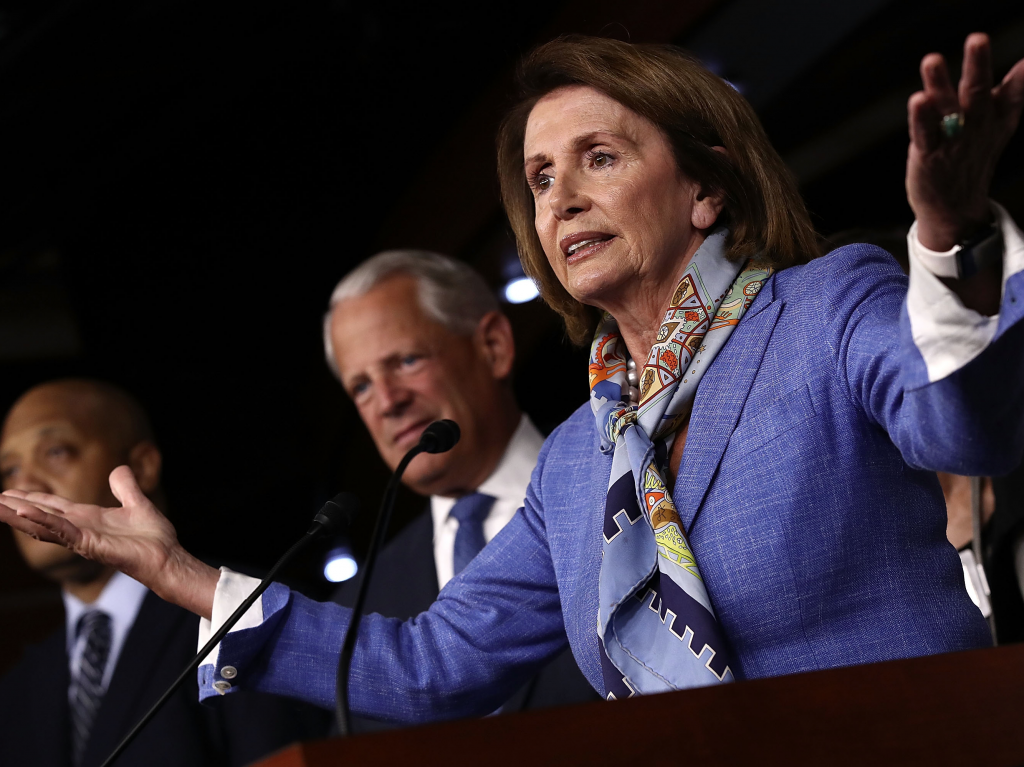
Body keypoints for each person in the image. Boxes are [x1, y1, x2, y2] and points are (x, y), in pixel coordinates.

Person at [3, 32, 1024, 718]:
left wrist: (945, 238)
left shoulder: (826, 306)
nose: (562, 198)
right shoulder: (582, 457)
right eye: (540, 179)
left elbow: (967, 430)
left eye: (599, 159)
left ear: (705, 188)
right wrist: (177, 571)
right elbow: (424, 663)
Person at [323, 250, 597, 728]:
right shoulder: (358, 612)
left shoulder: (619, 489)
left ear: (492, 346)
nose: (387, 402)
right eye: (362, 387)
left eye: (407, 361)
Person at [0, 380, 324, 766]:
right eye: (10, 469)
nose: (26, 485)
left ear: (141, 467)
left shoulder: (248, 616)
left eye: (56, 452)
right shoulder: (17, 689)